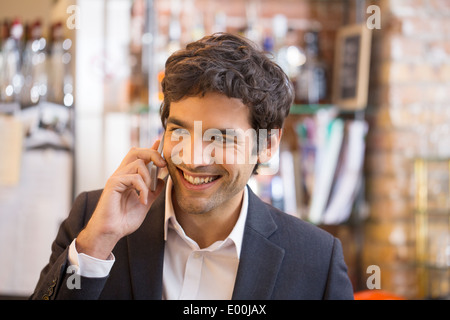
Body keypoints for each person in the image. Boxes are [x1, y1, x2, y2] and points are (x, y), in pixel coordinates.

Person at [31, 32, 354, 300]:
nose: (193, 158)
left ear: (267, 145)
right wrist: (97, 245)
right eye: (180, 131)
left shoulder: (315, 258)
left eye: (221, 138)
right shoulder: (93, 218)